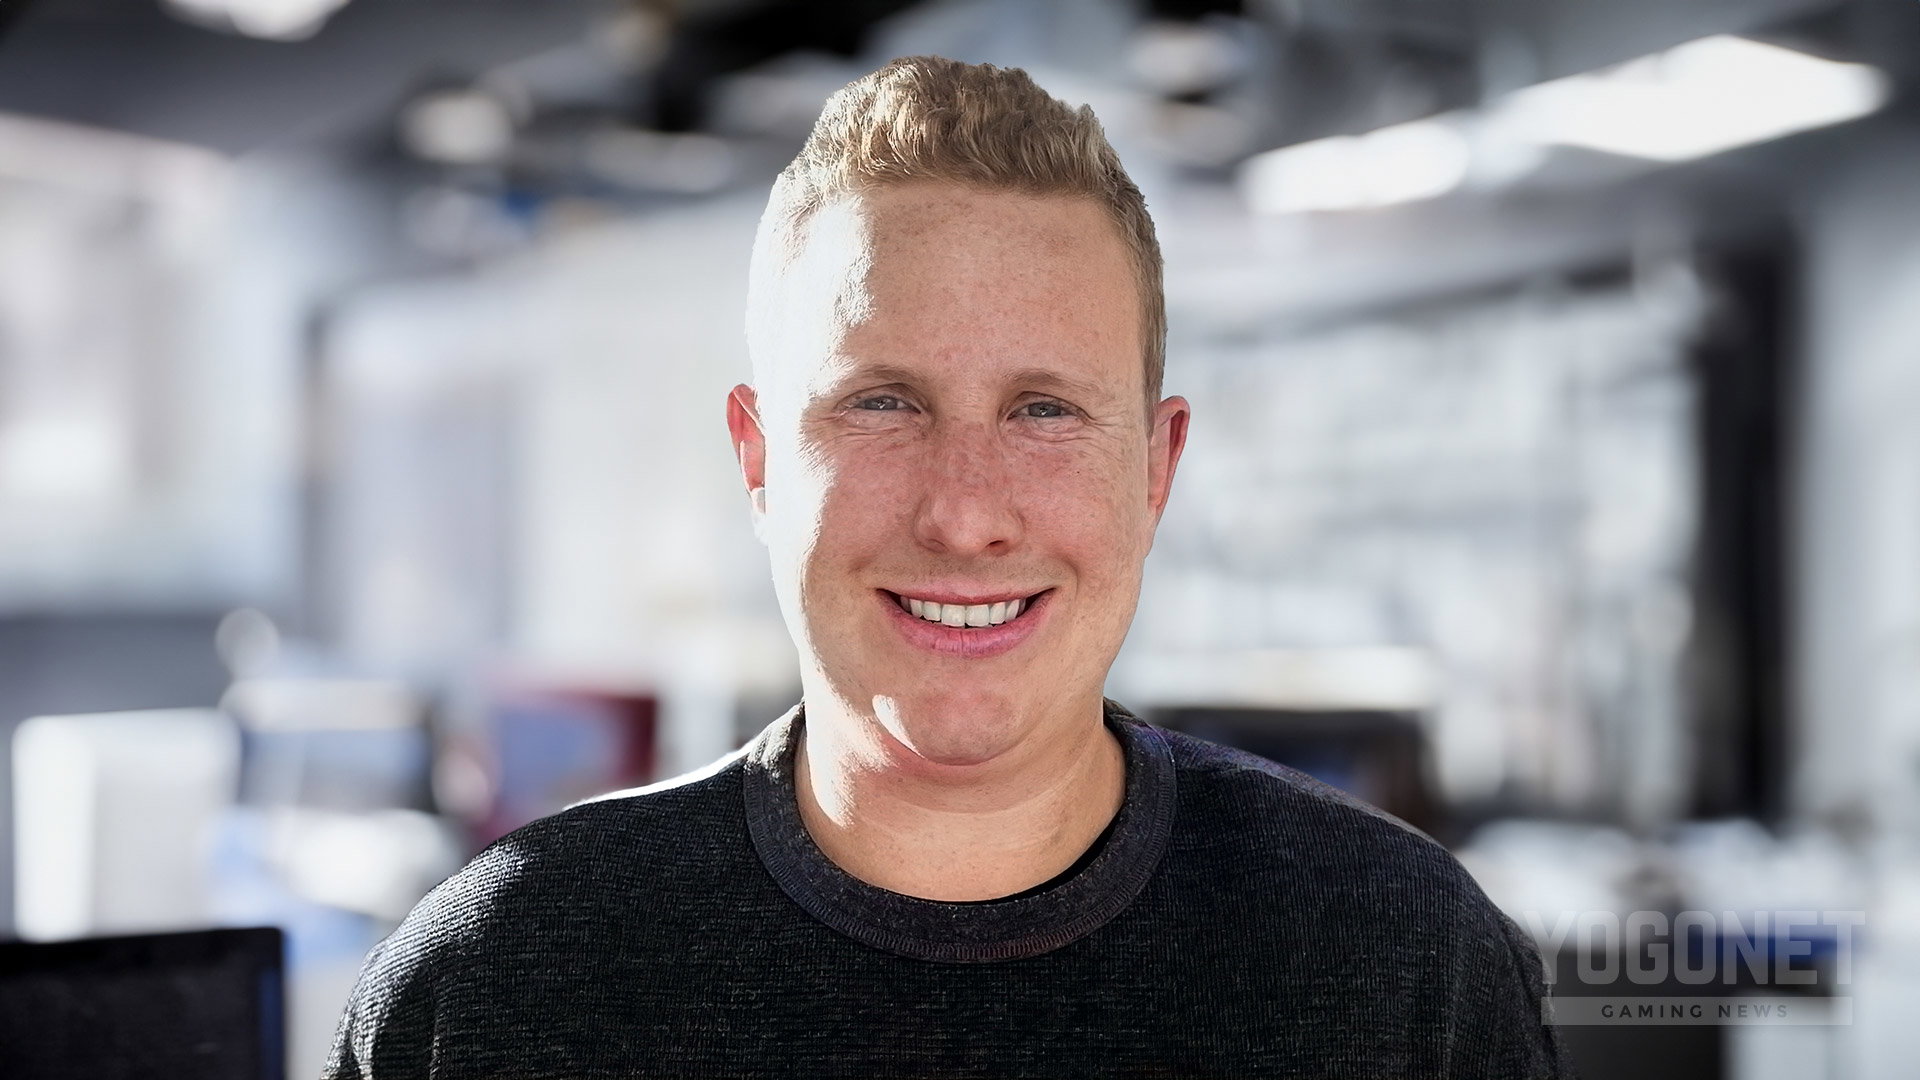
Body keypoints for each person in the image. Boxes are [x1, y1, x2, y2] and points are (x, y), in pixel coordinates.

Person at [324, 55, 1570, 1078]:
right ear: (759, 460)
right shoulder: (494, 987)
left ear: (1155, 469)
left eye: (1045, 410)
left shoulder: (1406, 965)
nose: (966, 517)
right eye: (881, 404)